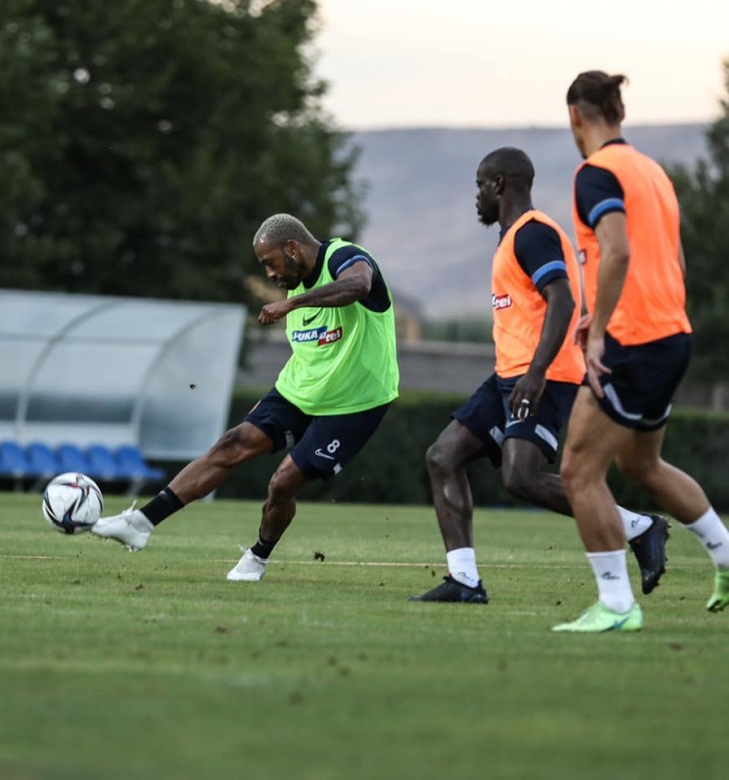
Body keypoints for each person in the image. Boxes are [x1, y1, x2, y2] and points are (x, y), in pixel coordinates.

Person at [410, 146, 669, 604]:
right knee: (442, 456)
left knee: (521, 478)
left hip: (545, 376)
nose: (476, 196)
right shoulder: (512, 237)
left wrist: (536, 373)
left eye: (479, 185)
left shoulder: (533, 233)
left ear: (498, 185)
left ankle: (639, 527)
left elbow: (562, 300)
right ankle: (464, 581)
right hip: (508, 376)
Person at [92, 213, 399, 581]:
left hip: (356, 401)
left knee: (282, 483)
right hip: (300, 390)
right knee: (232, 444)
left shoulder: (342, 257)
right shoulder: (297, 286)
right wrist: (271, 402)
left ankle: (257, 558)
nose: (269, 273)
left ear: (292, 248)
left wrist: (292, 305)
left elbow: (359, 285)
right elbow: (314, 353)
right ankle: (140, 523)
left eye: (270, 262)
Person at [552, 71, 729, 633]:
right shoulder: (652, 172)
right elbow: (670, 258)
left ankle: (616, 604)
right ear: (619, 112)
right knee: (640, 464)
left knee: (578, 471)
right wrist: (609, 312)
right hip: (671, 333)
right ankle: (727, 556)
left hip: (632, 342)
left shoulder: (595, 173)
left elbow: (619, 252)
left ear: (575, 116)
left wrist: (600, 330)